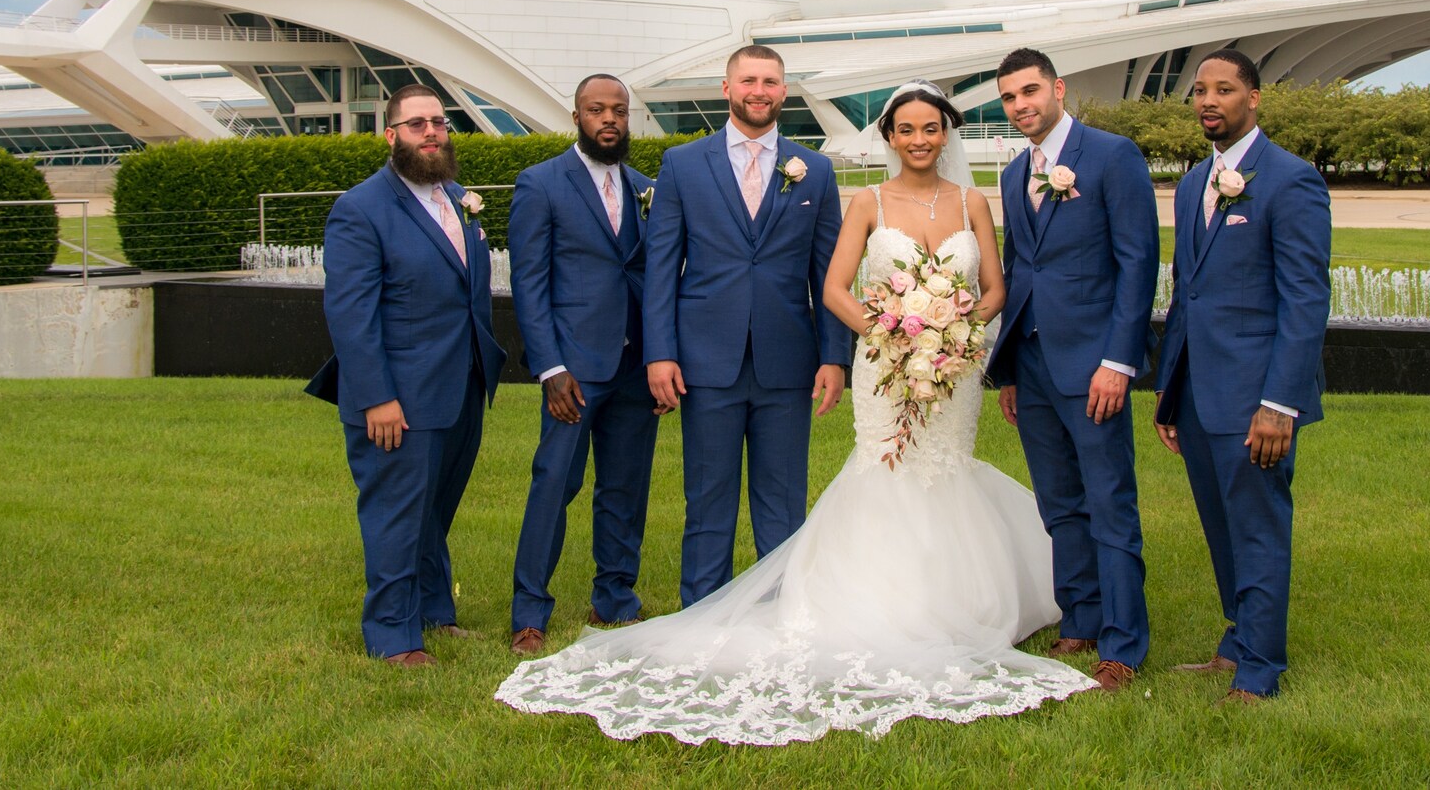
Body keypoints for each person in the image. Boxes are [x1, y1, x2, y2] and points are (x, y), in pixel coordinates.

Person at [495, 80, 1094, 742]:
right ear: (890, 136)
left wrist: (945, 332)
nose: (919, 139)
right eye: (907, 129)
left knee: (882, 481)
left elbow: (990, 288)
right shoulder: (800, 187)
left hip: (940, 367)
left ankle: (917, 606)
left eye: (931, 128)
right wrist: (891, 330)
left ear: (945, 134)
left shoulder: (955, 195)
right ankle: (595, 608)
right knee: (635, 487)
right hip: (818, 357)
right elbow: (799, 281)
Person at [303, 84, 505, 667]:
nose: (432, 132)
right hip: (399, 398)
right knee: (397, 513)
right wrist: (376, 398)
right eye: (417, 124)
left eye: (440, 123)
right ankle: (393, 634)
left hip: (461, 386)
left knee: (434, 511)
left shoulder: (458, 197)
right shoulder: (360, 209)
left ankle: (435, 613)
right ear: (391, 136)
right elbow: (350, 313)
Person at [639, 44, 848, 605]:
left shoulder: (815, 170)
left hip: (787, 362)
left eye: (772, 81)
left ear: (785, 90)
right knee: (708, 499)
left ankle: (780, 613)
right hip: (707, 362)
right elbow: (662, 267)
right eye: (749, 80)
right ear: (727, 88)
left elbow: (827, 274)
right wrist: (660, 352)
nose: (760, 91)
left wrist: (835, 357)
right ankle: (700, 613)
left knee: (782, 502)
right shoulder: (683, 165)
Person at [1154, 48, 1330, 704]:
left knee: (1257, 527)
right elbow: (1188, 293)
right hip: (1200, 392)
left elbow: (1306, 300)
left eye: (1224, 89)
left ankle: (1260, 667)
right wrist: (1171, 393)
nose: (1208, 100)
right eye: (1200, 90)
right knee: (1221, 524)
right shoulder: (1198, 179)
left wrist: (1278, 403)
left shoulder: (1290, 180)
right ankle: (1236, 639)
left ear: (1254, 98)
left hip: (1257, 395)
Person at [987, 46, 1160, 692]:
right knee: (1060, 505)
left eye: (1029, 90)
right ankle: (1080, 617)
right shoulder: (1012, 174)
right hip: (1030, 365)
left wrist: (1118, 361)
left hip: (1094, 365)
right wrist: (1007, 370)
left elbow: (1138, 263)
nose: (1021, 104)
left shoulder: (1112, 156)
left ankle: (1123, 641)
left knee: (1109, 500)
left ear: (1058, 88)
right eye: (1008, 96)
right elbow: (1018, 268)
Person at [505, 74, 658, 656]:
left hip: (635, 367)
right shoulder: (540, 184)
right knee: (554, 485)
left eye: (618, 110)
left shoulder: (647, 187)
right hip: (574, 370)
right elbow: (529, 283)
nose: (609, 119)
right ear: (576, 117)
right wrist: (549, 367)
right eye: (597, 110)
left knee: (625, 487)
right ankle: (528, 612)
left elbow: (653, 275)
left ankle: (615, 598)